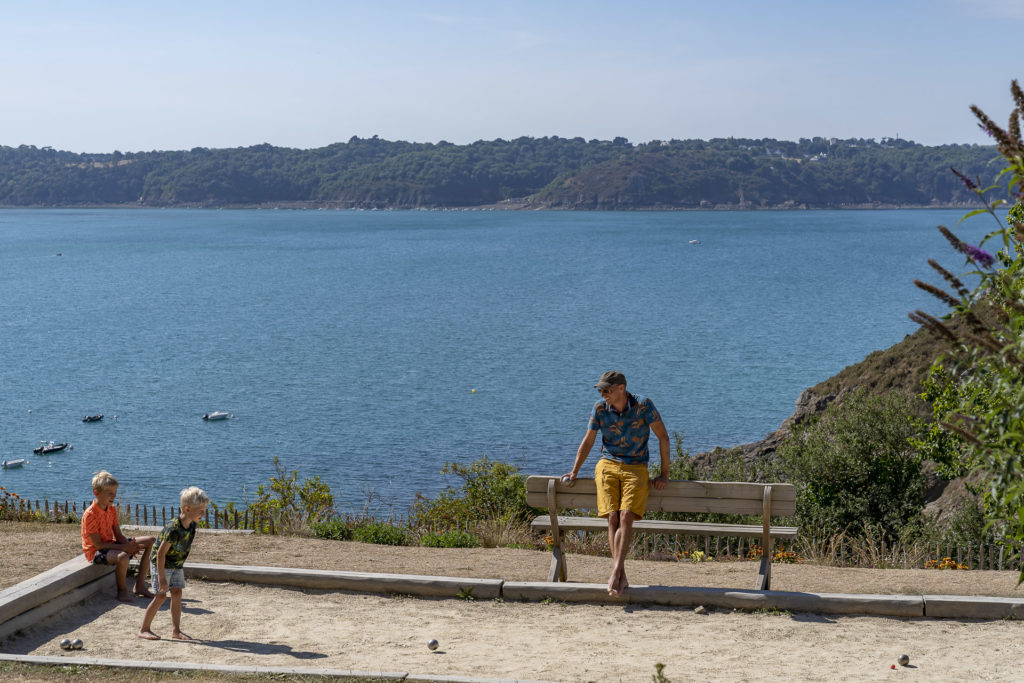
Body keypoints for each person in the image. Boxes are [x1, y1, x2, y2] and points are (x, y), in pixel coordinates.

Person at [563, 371, 670, 597]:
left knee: (626, 516)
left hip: (636, 466)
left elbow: (664, 437)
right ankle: (619, 573)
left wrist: (664, 474)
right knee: (611, 516)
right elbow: (589, 439)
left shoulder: (644, 405)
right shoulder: (600, 408)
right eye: (601, 391)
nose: (603, 395)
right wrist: (574, 471)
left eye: (607, 390)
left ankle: (614, 573)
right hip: (608, 464)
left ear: (621, 388)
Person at [138, 486, 210, 641]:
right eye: (200, 510)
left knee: (177, 593)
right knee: (161, 596)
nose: (203, 514)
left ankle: (176, 631)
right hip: (161, 564)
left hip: (176, 564)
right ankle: (144, 629)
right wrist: (161, 577)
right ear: (187, 508)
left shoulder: (191, 526)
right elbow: (160, 554)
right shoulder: (173, 529)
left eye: (204, 510)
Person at [81, 471, 156, 602]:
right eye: (109, 493)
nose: (113, 496)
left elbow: (118, 534)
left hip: (112, 544)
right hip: (95, 551)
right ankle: (121, 591)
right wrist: (124, 548)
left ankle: (140, 585)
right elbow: (98, 544)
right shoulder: (90, 514)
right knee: (123, 557)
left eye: (115, 493)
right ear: (96, 493)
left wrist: (128, 545)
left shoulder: (111, 509)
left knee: (151, 541)